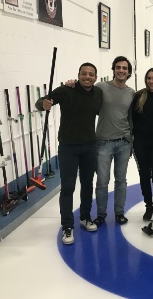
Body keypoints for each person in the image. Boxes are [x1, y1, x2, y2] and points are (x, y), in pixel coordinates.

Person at [36, 63, 102, 245]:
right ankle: (67, 226)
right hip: (68, 147)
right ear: (78, 75)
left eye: (91, 74)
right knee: (68, 188)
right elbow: (40, 102)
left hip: (90, 146)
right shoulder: (66, 90)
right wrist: (44, 104)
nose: (87, 77)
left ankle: (85, 216)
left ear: (96, 77)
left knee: (88, 184)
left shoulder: (98, 94)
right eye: (84, 74)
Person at [92, 56, 135, 226]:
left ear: (129, 72)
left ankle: (119, 212)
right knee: (102, 181)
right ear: (113, 69)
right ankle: (101, 214)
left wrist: (131, 141)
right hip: (103, 142)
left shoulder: (131, 93)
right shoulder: (101, 87)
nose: (121, 71)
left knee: (121, 180)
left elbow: (130, 118)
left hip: (124, 142)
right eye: (118, 67)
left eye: (125, 68)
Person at [131, 67, 153, 222]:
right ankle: (148, 206)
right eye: (149, 78)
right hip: (141, 142)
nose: (151, 81)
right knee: (144, 175)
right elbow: (132, 118)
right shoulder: (139, 96)